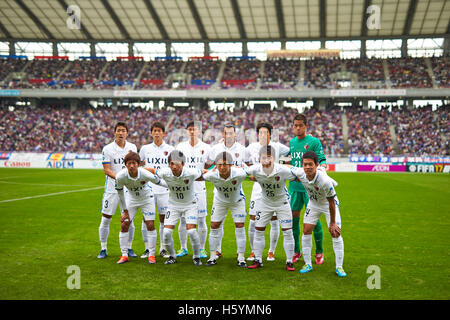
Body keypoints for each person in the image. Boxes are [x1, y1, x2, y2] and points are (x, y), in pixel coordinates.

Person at [290, 151, 346, 277]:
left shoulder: (324, 181)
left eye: (310, 164)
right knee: (306, 230)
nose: (307, 167)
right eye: (305, 164)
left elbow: (331, 203)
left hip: (328, 205)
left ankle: (339, 267)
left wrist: (332, 223)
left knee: (335, 232)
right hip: (314, 204)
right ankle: (308, 263)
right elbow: (288, 168)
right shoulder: (301, 172)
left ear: (316, 165)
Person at [146, 150, 205, 266]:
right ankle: (172, 256)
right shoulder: (165, 172)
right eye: (171, 163)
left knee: (192, 231)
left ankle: (197, 257)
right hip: (173, 205)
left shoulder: (191, 172)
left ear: (183, 164)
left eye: (177, 163)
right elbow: (152, 171)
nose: (174, 166)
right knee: (167, 232)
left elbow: (204, 172)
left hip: (190, 205)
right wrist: (138, 169)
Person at [245, 145, 296, 271]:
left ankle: (289, 261)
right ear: (259, 159)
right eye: (263, 158)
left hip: (282, 203)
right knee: (259, 230)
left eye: (269, 157)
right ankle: (258, 259)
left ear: (274, 158)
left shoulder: (282, 170)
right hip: (265, 203)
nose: (266, 160)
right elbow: (240, 171)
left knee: (288, 231)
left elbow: (297, 175)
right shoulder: (256, 169)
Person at [115, 152, 168, 264]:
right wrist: (125, 211)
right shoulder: (120, 176)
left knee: (150, 224)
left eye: (134, 163)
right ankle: (124, 255)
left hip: (147, 199)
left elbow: (159, 182)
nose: (132, 166)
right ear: (125, 164)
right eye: (129, 163)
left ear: (138, 164)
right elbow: (120, 193)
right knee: (124, 224)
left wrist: (174, 186)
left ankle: (152, 255)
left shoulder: (145, 174)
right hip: (131, 199)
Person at [289, 113, 327, 264]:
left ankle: (319, 252)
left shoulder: (314, 142)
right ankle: (296, 251)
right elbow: (287, 161)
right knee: (294, 220)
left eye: (300, 126)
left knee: (314, 220)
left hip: (310, 188)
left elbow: (322, 159)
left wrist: (323, 168)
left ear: (306, 126)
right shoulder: (291, 143)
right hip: (294, 187)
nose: (297, 128)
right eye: (295, 126)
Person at [97, 122, 137, 259]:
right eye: (118, 130)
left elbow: (135, 167)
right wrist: (119, 178)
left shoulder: (132, 148)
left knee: (128, 220)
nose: (121, 133)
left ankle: (129, 248)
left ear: (127, 133)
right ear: (115, 132)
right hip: (112, 189)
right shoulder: (107, 149)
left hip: (129, 190)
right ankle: (103, 248)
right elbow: (106, 170)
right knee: (106, 218)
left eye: (123, 131)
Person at [203, 151, 248, 267]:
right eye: (219, 165)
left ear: (231, 164)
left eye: (225, 164)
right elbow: (201, 176)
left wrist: (243, 166)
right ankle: (212, 256)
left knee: (239, 226)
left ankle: (241, 257)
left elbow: (249, 171)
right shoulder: (210, 175)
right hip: (220, 201)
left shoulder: (240, 174)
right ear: (216, 165)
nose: (222, 167)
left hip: (237, 201)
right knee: (214, 225)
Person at [208, 124, 246, 258]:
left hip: (236, 193)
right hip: (219, 193)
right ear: (222, 135)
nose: (228, 135)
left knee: (239, 224)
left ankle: (240, 255)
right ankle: (217, 250)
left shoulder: (242, 149)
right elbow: (208, 166)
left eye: (231, 133)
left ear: (235, 135)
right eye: (226, 133)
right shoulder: (215, 149)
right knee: (217, 223)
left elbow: (247, 167)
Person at [176, 121, 213, 259]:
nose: (192, 132)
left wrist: (203, 173)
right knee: (183, 220)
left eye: (195, 129)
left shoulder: (206, 147)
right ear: (187, 131)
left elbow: (210, 164)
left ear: (199, 131)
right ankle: (183, 247)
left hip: (199, 188)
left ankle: (202, 249)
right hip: (184, 188)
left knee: (202, 220)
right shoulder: (180, 147)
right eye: (190, 129)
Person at [139, 122, 174, 259]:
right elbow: (139, 164)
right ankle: (147, 248)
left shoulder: (170, 149)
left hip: (164, 188)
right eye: (155, 131)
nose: (157, 133)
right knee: (146, 219)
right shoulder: (145, 148)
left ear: (163, 133)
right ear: (151, 133)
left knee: (163, 219)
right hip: (148, 189)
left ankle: (163, 248)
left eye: (159, 131)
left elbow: (173, 167)